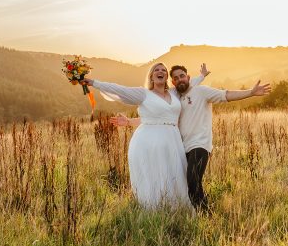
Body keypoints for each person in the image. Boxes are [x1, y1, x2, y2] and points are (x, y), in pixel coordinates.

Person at [112, 65, 271, 213]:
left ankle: (206, 216)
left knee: (193, 181)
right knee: (187, 184)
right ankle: (188, 210)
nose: (180, 79)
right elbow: (157, 119)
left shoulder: (202, 92)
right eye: (176, 78)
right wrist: (129, 122)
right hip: (181, 148)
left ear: (188, 77)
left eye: (182, 76)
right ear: (172, 82)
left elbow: (226, 95)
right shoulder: (173, 99)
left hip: (200, 145)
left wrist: (250, 92)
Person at [82, 62, 204, 210]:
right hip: (148, 143)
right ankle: (154, 212)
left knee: (175, 175)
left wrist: (202, 75)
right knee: (154, 177)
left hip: (173, 141)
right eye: (156, 70)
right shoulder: (143, 94)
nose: (160, 72)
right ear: (151, 76)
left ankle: (177, 210)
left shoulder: (174, 93)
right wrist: (95, 83)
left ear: (167, 76)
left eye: (163, 70)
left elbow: (189, 84)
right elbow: (120, 89)